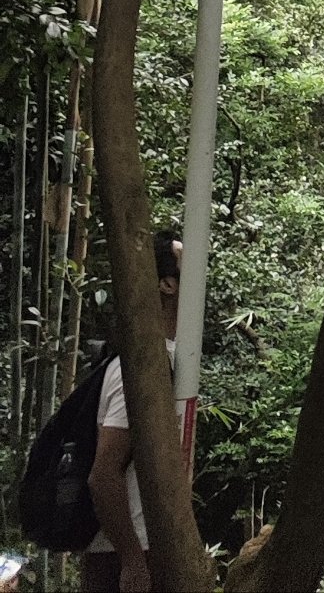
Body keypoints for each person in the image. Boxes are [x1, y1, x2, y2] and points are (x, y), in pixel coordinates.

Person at [84, 232, 181, 593]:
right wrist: (132, 561)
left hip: (152, 548)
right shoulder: (142, 368)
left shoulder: (170, 358)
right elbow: (103, 473)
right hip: (124, 555)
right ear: (167, 284)